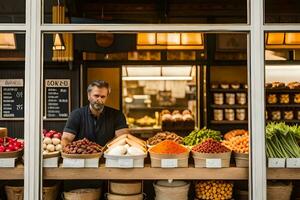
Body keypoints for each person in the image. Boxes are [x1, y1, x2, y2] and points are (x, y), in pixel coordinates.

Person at [62, 80, 130, 147]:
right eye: (96, 96)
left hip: (108, 155)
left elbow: (122, 138)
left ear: (106, 97)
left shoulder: (117, 115)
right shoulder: (76, 114)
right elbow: (66, 138)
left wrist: (104, 149)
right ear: (89, 96)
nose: (99, 99)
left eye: (103, 97)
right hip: (82, 156)